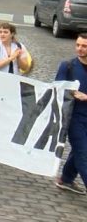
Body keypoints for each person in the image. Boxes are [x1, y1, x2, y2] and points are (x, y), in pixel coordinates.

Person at [55, 33, 87, 194]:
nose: (80, 49)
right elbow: (57, 89)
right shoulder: (67, 66)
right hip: (74, 118)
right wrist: (69, 92)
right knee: (83, 153)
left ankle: (66, 179)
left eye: (84, 46)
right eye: (78, 45)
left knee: (79, 152)